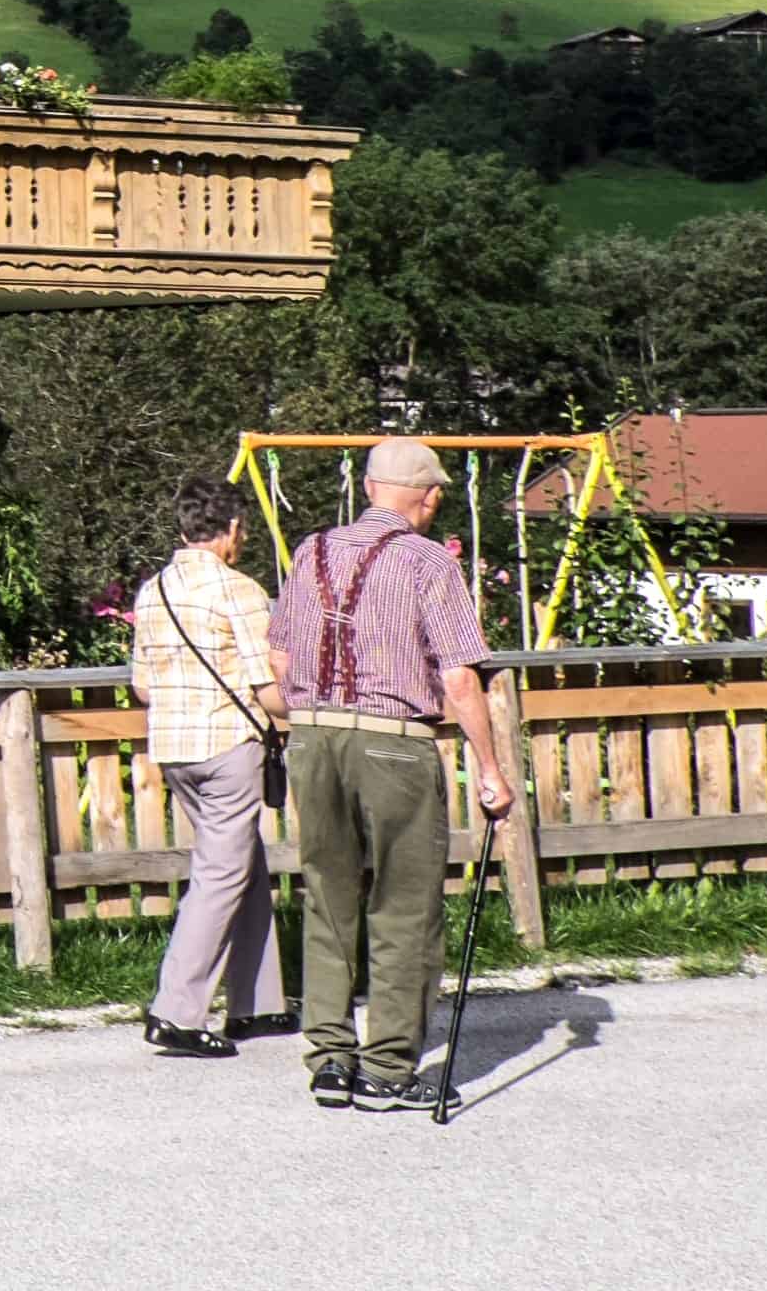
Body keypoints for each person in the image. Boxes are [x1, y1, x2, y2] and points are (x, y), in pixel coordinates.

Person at [268, 435, 520, 1113]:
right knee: (404, 906)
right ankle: (386, 1067)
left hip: (313, 739)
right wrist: (491, 770)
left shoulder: (309, 551)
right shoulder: (428, 562)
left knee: (328, 897)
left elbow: (281, 661)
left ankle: (328, 1060)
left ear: (371, 487)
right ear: (429, 495)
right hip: (395, 744)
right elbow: (459, 677)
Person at [127, 473, 285, 1056]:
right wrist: (310, 712)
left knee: (242, 861)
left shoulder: (152, 591)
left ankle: (258, 1004)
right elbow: (265, 682)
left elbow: (144, 686)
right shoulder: (238, 590)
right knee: (220, 874)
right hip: (227, 745)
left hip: (173, 747)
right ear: (233, 529)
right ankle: (177, 1012)